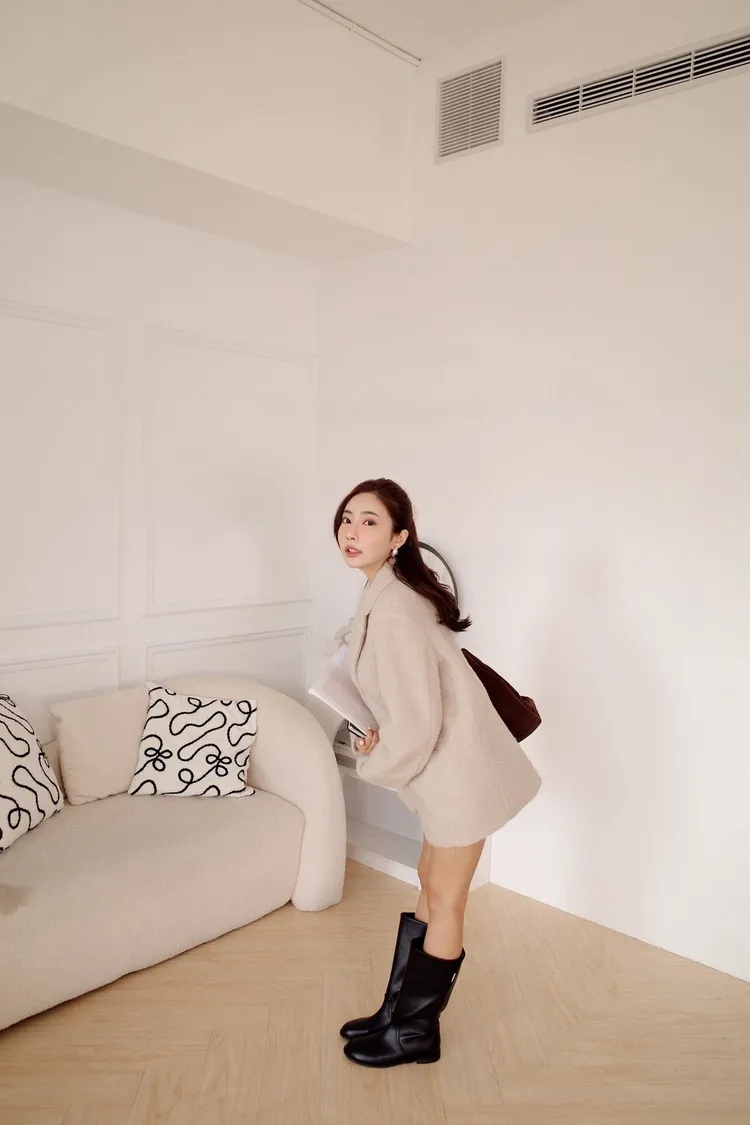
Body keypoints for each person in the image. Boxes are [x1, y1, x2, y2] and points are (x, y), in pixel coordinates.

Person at [333, 478, 542, 1069]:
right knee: (429, 881)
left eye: (369, 521)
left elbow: (420, 723)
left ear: (399, 537)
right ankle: (395, 1013)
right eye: (347, 518)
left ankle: (415, 1033)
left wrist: (374, 761)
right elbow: (411, 701)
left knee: (446, 898)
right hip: (444, 769)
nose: (352, 532)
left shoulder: (394, 607)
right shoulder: (386, 592)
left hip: (458, 772)